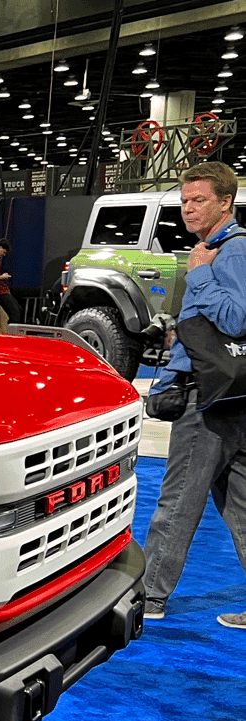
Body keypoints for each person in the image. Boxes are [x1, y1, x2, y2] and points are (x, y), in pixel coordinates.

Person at [138, 161, 246, 629]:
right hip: (226, 396)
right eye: (183, 201)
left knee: (178, 498)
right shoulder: (213, 250)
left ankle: (149, 597)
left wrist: (200, 275)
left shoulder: (231, 252)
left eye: (198, 199)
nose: (187, 209)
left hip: (208, 399)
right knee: (241, 508)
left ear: (226, 201)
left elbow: (239, 319)